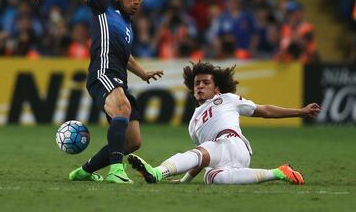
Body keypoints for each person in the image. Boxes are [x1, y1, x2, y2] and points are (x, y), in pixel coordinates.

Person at [31, 0, 164, 183]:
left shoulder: (128, 26)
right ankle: (116, 172)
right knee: (123, 108)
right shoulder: (104, 3)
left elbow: (126, 56)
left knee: (132, 141)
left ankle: (84, 172)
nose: (137, 0)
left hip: (119, 78)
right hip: (103, 72)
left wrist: (143, 73)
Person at [128, 61, 320, 185]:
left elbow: (265, 110)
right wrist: (184, 181)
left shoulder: (227, 99)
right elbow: (201, 159)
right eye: (197, 84)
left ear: (217, 89)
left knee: (203, 152)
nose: (200, 86)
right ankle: (278, 172)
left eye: (205, 83)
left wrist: (300, 112)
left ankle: (157, 173)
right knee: (212, 178)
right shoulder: (193, 122)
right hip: (220, 156)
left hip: (233, 143)